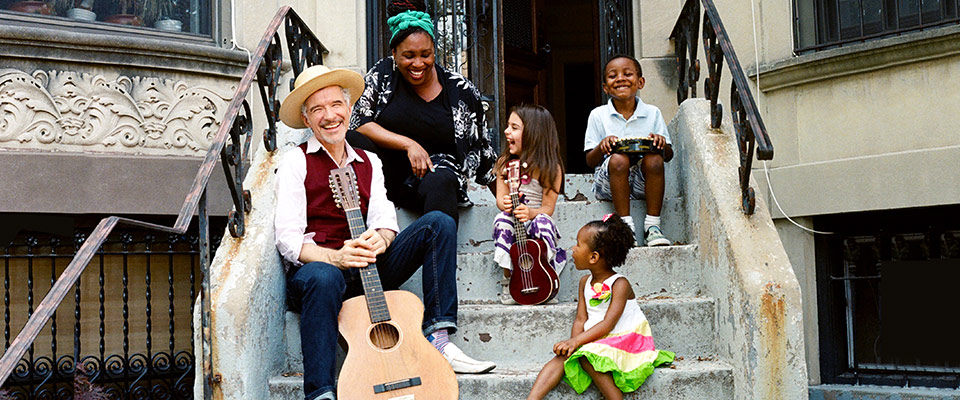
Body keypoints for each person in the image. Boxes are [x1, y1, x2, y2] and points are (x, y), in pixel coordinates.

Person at [275, 65, 495, 400]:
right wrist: (335, 257)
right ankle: (320, 391)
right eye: (318, 109)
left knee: (438, 223)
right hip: (318, 274)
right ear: (307, 120)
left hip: (368, 269)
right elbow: (288, 241)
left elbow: (386, 221)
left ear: (349, 110)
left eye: (336, 105)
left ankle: (438, 336)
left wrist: (382, 238)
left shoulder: (369, 161)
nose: (330, 115)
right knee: (323, 278)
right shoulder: (296, 162)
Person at [351, 0, 498, 222]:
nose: (418, 63)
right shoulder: (382, 74)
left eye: (426, 54)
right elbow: (359, 122)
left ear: (434, 52)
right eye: (409, 56)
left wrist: (510, 205)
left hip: (433, 185)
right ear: (394, 53)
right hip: (384, 180)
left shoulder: (460, 90)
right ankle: (353, 232)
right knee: (353, 140)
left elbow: (484, 155)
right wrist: (408, 144)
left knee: (442, 178)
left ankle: (438, 250)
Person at [526, 215, 675, 400]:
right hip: (595, 340)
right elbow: (581, 319)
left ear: (593, 257)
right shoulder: (584, 282)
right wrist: (573, 344)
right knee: (561, 359)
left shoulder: (620, 284)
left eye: (578, 244)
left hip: (623, 341)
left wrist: (577, 343)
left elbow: (608, 324)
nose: (573, 249)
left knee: (587, 357)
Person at [584, 54, 675, 246]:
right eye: (612, 76)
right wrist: (602, 146)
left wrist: (660, 144)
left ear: (640, 82)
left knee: (654, 159)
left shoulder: (653, 113)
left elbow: (668, 156)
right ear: (605, 87)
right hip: (609, 184)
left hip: (643, 184)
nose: (620, 79)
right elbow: (590, 161)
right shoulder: (598, 115)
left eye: (627, 74)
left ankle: (652, 226)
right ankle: (625, 226)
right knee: (619, 159)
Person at [491, 104, 567, 305]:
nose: (507, 131)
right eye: (508, 126)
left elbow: (548, 208)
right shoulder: (504, 165)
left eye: (514, 127)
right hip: (514, 222)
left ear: (534, 134)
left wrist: (532, 212)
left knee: (544, 221)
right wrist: (505, 203)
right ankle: (509, 279)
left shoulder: (551, 168)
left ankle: (544, 274)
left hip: (533, 221)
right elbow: (500, 199)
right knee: (501, 220)